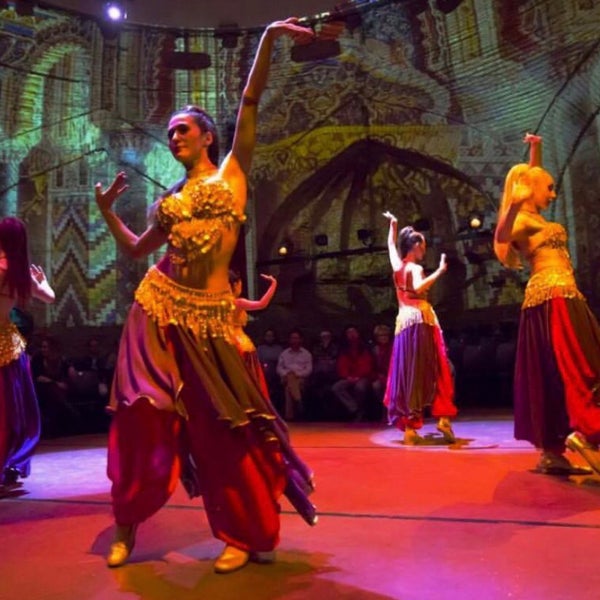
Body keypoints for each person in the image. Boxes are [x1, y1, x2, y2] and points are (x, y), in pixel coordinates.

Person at [95, 18, 317, 573]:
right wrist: (106, 214)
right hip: (157, 307)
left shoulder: (233, 175)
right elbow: (137, 250)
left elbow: (250, 99)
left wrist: (268, 37)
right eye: (170, 133)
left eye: (183, 130)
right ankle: (126, 525)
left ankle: (243, 532)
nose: (174, 139)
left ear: (208, 136)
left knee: (226, 428)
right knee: (144, 414)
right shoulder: (169, 198)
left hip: (213, 319)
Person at [494, 133, 600, 476]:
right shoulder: (522, 220)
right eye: (550, 188)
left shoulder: (537, 217)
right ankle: (584, 432)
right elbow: (500, 237)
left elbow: (535, 177)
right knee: (579, 365)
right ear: (529, 189)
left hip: (564, 295)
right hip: (552, 298)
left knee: (558, 372)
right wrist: (513, 202)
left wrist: (536, 148)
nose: (552, 194)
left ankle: (552, 452)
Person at [382, 212, 457, 444]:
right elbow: (417, 287)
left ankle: (410, 428)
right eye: (422, 246)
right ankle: (442, 418)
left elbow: (390, 245)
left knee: (410, 374)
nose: (424, 250)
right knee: (435, 369)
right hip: (420, 322)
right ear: (414, 246)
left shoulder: (397, 265)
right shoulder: (414, 268)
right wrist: (439, 271)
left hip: (404, 323)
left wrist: (393, 225)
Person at [0, 217, 55, 491]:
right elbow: (50, 297)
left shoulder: (2, 269)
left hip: (5, 349)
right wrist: (42, 281)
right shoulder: (20, 273)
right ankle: (9, 462)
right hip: (8, 345)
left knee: (4, 413)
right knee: (13, 412)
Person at [229, 270, 277, 399]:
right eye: (240, 284)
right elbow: (262, 304)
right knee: (249, 380)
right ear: (235, 285)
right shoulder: (238, 303)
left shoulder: (217, 303)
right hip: (240, 344)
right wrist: (273, 285)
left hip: (225, 344)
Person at [331, 326, 375, 422]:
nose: (351, 334)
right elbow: (342, 364)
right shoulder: (344, 349)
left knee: (360, 387)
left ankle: (361, 411)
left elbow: (367, 364)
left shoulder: (364, 347)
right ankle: (355, 409)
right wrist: (347, 376)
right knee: (337, 387)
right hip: (349, 377)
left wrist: (358, 376)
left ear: (358, 333)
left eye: (353, 331)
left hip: (363, 376)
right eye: (349, 332)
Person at [276, 328, 313, 421]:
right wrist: (286, 373)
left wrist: (298, 374)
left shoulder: (306, 354)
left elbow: (309, 369)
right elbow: (279, 368)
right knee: (290, 379)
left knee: (289, 388)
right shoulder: (284, 353)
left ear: (301, 339)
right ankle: (298, 400)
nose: (294, 340)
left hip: (301, 378)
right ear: (289, 340)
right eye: (292, 338)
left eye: (296, 338)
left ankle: (289, 416)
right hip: (285, 377)